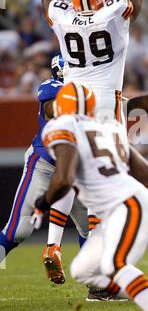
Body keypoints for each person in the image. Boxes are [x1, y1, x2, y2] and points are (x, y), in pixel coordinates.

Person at [39, 0, 148, 279]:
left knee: (70, 171)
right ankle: (104, 270)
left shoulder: (63, 15)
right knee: (109, 182)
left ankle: (54, 243)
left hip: (71, 102)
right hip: (105, 109)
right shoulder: (112, 13)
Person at [32, 81, 148, 311]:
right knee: (83, 270)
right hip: (128, 207)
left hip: (128, 205)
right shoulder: (110, 128)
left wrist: (42, 204)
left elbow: (64, 180)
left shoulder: (59, 128)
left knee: (114, 265)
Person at [0, 55, 89, 268]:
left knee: (93, 229)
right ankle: (52, 246)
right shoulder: (52, 87)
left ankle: (97, 286)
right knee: (18, 230)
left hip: (73, 170)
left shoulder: (87, 91)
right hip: (44, 164)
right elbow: (51, 109)